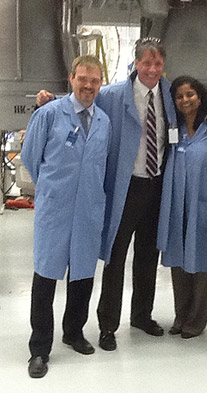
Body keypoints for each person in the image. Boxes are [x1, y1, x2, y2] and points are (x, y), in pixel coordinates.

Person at [36, 38, 177, 352]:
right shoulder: (112, 95)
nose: (152, 69)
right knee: (115, 257)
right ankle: (107, 325)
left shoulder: (168, 93)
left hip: (157, 184)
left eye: (157, 64)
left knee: (147, 255)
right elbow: (81, 100)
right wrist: (48, 100)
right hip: (126, 186)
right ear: (136, 64)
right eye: (146, 63)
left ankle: (142, 314)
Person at [22, 55, 111, 378]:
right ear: (72, 79)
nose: (88, 86)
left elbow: (102, 166)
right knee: (45, 277)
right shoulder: (48, 115)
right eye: (83, 79)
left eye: (95, 81)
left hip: (88, 210)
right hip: (55, 209)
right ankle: (39, 348)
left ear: (100, 84)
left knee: (83, 275)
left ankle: (74, 332)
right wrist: (55, 188)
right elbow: (31, 159)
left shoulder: (104, 121)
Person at [157, 76, 207, 339]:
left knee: (200, 263)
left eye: (190, 94)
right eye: (179, 96)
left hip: (203, 204)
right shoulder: (174, 129)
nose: (185, 100)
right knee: (178, 263)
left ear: (200, 96)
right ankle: (180, 316)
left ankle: (196, 320)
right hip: (177, 204)